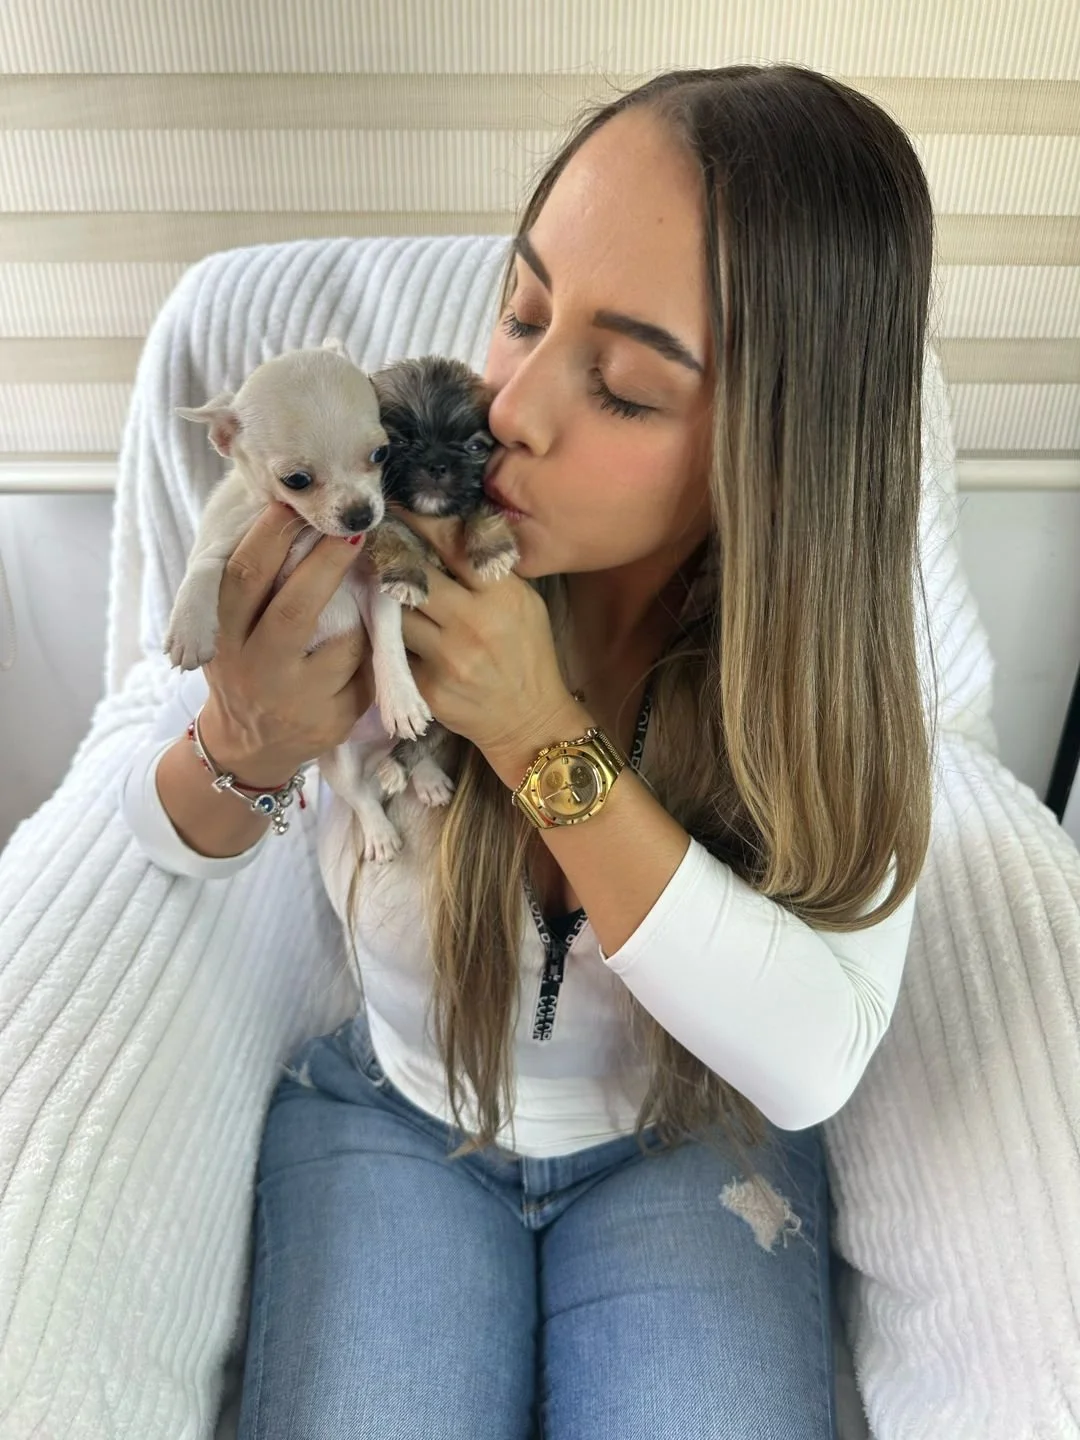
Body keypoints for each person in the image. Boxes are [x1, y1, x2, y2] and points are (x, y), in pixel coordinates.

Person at [125, 63, 935, 1440]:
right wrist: (246, 742)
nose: (513, 407)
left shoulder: (817, 671)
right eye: (523, 310)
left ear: (776, 446)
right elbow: (162, 832)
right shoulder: (381, 508)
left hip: (694, 1148)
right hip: (392, 1116)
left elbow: (809, 1062)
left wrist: (536, 733)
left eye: (619, 386)